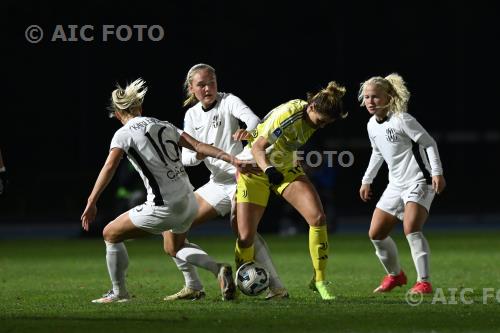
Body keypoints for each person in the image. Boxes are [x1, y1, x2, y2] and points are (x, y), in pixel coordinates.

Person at [81, 78, 254, 303]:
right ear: (140, 108)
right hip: (189, 200)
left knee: (110, 233)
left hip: (164, 206)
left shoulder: (123, 135)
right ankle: (215, 270)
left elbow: (109, 167)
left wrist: (91, 201)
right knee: (174, 246)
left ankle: (119, 292)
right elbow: (200, 146)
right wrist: (233, 159)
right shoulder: (164, 124)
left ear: (116, 113)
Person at [163, 63, 288, 301]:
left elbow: (253, 120)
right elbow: (186, 158)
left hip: (243, 178)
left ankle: (277, 288)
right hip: (217, 183)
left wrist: (248, 132)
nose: (208, 88)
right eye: (201, 84)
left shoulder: (229, 101)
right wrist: (198, 153)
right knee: (172, 228)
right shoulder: (191, 115)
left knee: (242, 232)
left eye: (212, 83)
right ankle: (193, 285)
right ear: (191, 88)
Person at [234, 81, 348, 300]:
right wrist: (268, 169)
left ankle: (319, 280)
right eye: (321, 121)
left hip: (284, 168)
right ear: (312, 107)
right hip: (255, 169)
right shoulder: (288, 115)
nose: (321, 126)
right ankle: (241, 283)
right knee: (246, 237)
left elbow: (285, 146)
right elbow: (258, 147)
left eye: (326, 123)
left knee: (317, 217)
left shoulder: (312, 117)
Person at [358, 73, 446, 294]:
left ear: (388, 97)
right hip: (395, 184)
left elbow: (428, 143)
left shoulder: (402, 119)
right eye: (367, 97)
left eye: (375, 97)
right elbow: (377, 153)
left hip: (419, 179)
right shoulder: (371, 125)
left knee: (411, 228)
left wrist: (437, 172)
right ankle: (396, 276)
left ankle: (424, 282)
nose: (370, 101)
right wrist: (367, 179)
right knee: (376, 233)